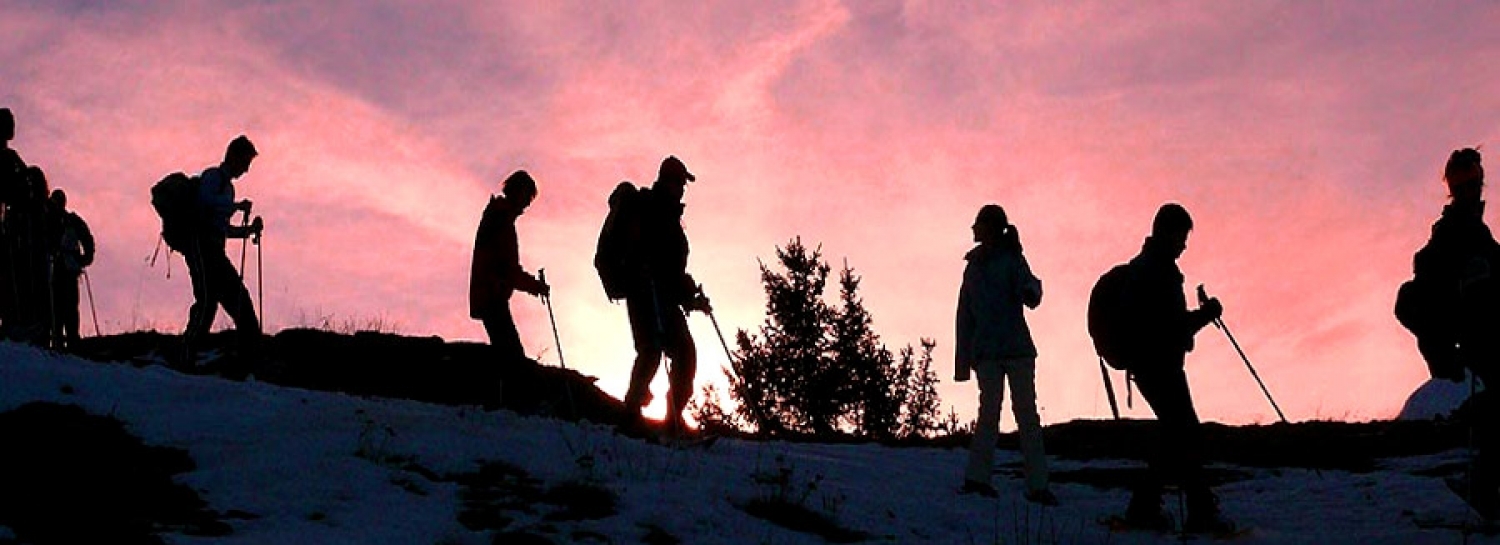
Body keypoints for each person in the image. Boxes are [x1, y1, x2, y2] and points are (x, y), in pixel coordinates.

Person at [1115, 203, 1232, 533]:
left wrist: (1197, 319)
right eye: (1182, 236)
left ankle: (1147, 508)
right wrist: (1206, 315)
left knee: (1175, 436)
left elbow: (1167, 325)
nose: (1184, 244)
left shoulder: (1147, 267)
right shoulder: (1158, 272)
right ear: (1167, 232)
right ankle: (1199, 513)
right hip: (1159, 366)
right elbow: (1172, 327)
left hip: (1149, 365)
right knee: (1186, 434)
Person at [1410, 147, 1500, 518]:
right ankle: (1483, 487)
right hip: (1479, 333)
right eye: (1461, 180)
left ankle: (1483, 486)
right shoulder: (1452, 233)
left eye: (1472, 178)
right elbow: (1425, 284)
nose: (1469, 186)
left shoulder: (1474, 231)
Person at [954, 204, 1056, 505]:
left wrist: (1030, 293)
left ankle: (1037, 485)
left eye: (979, 224)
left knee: (1026, 417)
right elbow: (965, 317)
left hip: (1014, 350)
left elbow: (1030, 286)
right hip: (989, 353)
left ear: (990, 228)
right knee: (990, 416)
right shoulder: (973, 267)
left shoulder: (1011, 259)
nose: (974, 229)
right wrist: (963, 362)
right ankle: (978, 479)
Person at [619, 155, 711, 436]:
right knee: (652, 351)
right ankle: (631, 415)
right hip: (645, 293)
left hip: (666, 298)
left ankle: (671, 418)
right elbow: (650, 258)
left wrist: (691, 297)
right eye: (680, 182)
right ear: (668, 181)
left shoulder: (670, 216)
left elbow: (672, 268)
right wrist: (645, 271)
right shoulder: (650, 209)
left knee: (684, 354)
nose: (683, 188)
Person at [179, 135, 264, 365]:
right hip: (200, 245)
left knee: (239, 298)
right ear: (234, 157)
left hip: (215, 249)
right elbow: (204, 202)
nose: (246, 170)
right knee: (207, 301)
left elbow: (223, 228)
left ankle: (249, 359)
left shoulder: (228, 189)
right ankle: (187, 355)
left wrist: (247, 232)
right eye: (245, 163)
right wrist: (235, 206)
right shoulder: (212, 177)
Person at [469, 170, 549, 362]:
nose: (527, 204)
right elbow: (508, 269)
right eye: (527, 196)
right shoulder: (500, 219)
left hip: (490, 294)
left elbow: (507, 268)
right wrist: (535, 286)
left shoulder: (498, 216)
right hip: (492, 295)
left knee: (506, 353)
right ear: (518, 191)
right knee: (512, 356)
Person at [46, 189, 95, 349]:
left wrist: (84, 258)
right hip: (57, 269)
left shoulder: (71, 221)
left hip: (66, 269)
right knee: (59, 307)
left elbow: (87, 239)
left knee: (68, 306)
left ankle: (70, 340)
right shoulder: (49, 221)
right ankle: (60, 339)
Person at [0, 108, 28, 336]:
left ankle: (11, 322)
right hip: (5, 221)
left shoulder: (11, 158)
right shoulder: (7, 158)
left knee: (9, 273)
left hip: (8, 224)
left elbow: (27, 181)